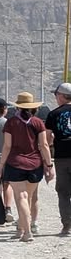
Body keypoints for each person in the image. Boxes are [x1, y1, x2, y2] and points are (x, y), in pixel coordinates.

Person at [0, 91, 54, 242]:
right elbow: (44, 145)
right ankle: (20, 229)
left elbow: (7, 146)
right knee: (27, 198)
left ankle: (27, 232)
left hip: (15, 164)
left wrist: (0, 166)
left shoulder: (11, 123)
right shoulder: (38, 122)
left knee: (21, 197)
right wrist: (49, 164)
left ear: (18, 107)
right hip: (35, 164)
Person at [45, 82, 71, 235]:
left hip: (62, 157)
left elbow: (47, 139)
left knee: (63, 192)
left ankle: (67, 225)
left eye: (56, 95)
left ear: (61, 96)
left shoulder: (53, 114)